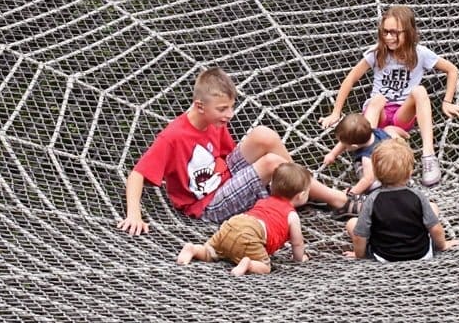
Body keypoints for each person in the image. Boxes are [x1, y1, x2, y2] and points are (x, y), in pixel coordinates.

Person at [117, 66, 349, 235]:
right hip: (208, 205)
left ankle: (300, 188)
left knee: (263, 134)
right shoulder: (173, 137)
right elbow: (137, 174)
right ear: (199, 106)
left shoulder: (213, 122)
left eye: (231, 106)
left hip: (224, 178)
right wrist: (134, 214)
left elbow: (229, 157)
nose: (230, 114)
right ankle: (337, 199)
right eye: (222, 109)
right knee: (269, 163)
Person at [320, 6, 459, 187]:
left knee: (419, 90)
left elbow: (452, 70)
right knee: (378, 99)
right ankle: (366, 157)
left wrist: (447, 102)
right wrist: (336, 112)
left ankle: (429, 156)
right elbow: (351, 78)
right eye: (385, 32)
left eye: (395, 33)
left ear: (409, 32)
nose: (388, 37)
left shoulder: (421, 54)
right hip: (376, 114)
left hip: (401, 115)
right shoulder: (377, 53)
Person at [176, 161, 312, 275]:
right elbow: (297, 243)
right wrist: (299, 259)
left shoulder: (263, 200)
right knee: (265, 268)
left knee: (210, 252)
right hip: (251, 235)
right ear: (301, 195)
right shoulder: (291, 215)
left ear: (271, 186)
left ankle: (193, 249)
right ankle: (248, 264)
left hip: (233, 223)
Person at [343, 138, 454, 262]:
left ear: (375, 172)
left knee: (352, 223)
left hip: (384, 256)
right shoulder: (417, 196)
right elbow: (435, 228)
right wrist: (442, 245)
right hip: (421, 253)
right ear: (410, 172)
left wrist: (360, 255)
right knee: (432, 207)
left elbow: (359, 235)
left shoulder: (372, 199)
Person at [320, 113, 408, 198]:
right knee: (389, 129)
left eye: (345, 146)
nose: (343, 146)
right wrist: (332, 154)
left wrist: (351, 193)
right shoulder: (375, 132)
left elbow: (368, 180)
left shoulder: (367, 157)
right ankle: (406, 135)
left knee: (372, 183)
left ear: (354, 146)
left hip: (388, 177)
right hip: (398, 159)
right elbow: (343, 142)